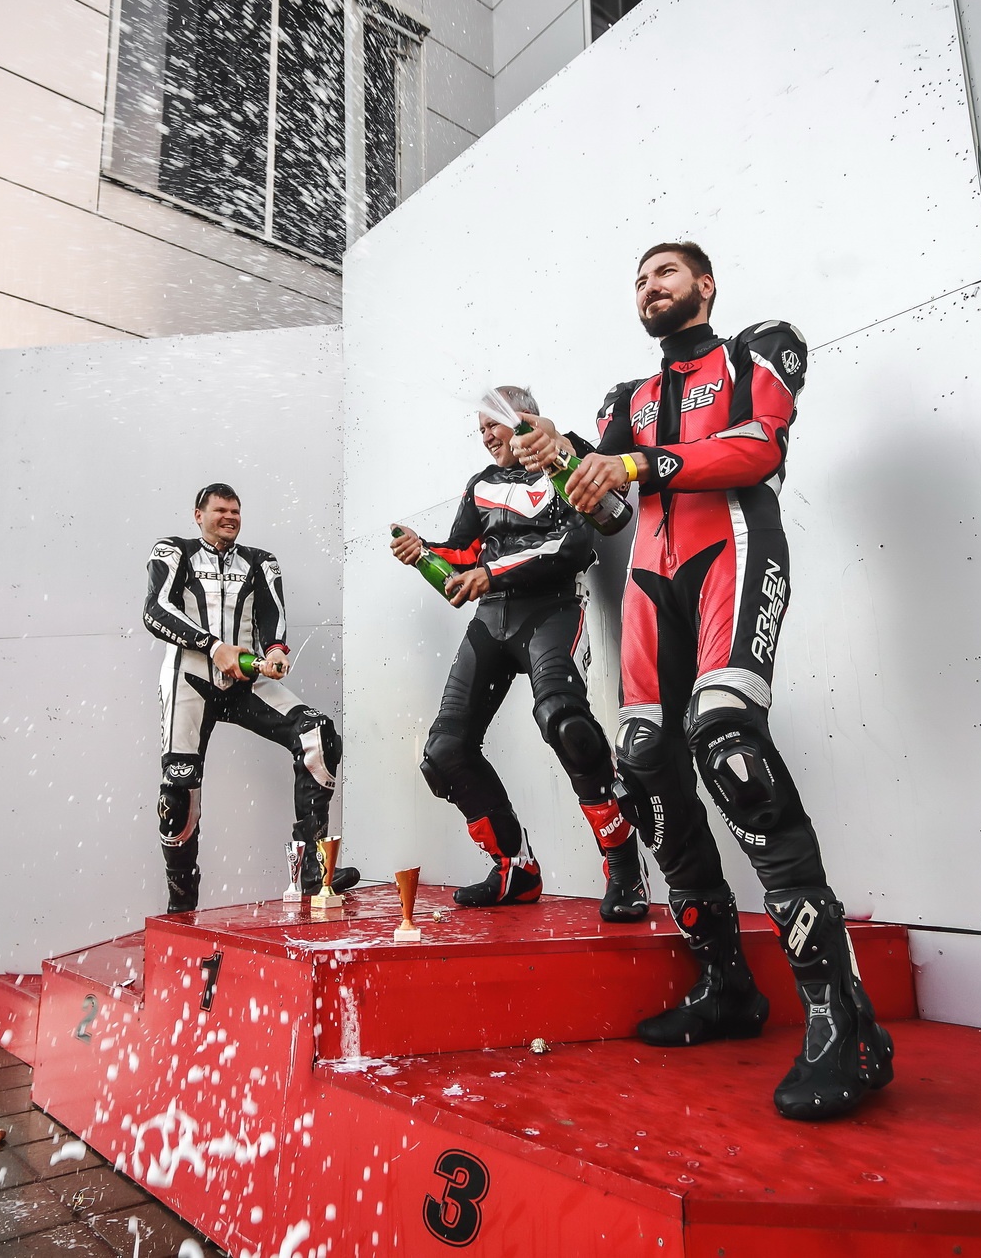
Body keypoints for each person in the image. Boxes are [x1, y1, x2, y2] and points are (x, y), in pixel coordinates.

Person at [511, 243, 892, 1122]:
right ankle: (725, 984)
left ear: (705, 285)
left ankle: (845, 1021)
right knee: (644, 758)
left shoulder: (760, 347)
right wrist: (564, 458)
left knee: (727, 744)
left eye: (666, 273)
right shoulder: (625, 400)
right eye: (640, 279)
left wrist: (637, 465)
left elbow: (757, 449)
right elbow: (610, 509)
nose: (651, 286)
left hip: (736, 551)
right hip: (651, 579)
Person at [390, 388, 649, 922]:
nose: (487, 436)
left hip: (551, 611)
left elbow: (574, 545)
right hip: (491, 620)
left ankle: (624, 863)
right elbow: (463, 554)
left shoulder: (565, 455)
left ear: (522, 417)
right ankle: (515, 868)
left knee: (567, 725)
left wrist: (491, 572)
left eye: (495, 424)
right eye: (480, 429)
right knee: (444, 752)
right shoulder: (480, 484)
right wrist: (423, 552)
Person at [142, 483, 358, 914]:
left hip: (245, 680)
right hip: (190, 680)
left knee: (317, 734)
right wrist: (213, 647)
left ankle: (312, 873)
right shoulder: (174, 551)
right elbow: (155, 610)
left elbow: (272, 614)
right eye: (220, 510)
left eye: (235, 511)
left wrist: (276, 651)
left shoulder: (260, 560)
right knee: (179, 795)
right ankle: (181, 907)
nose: (229, 517)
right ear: (198, 515)